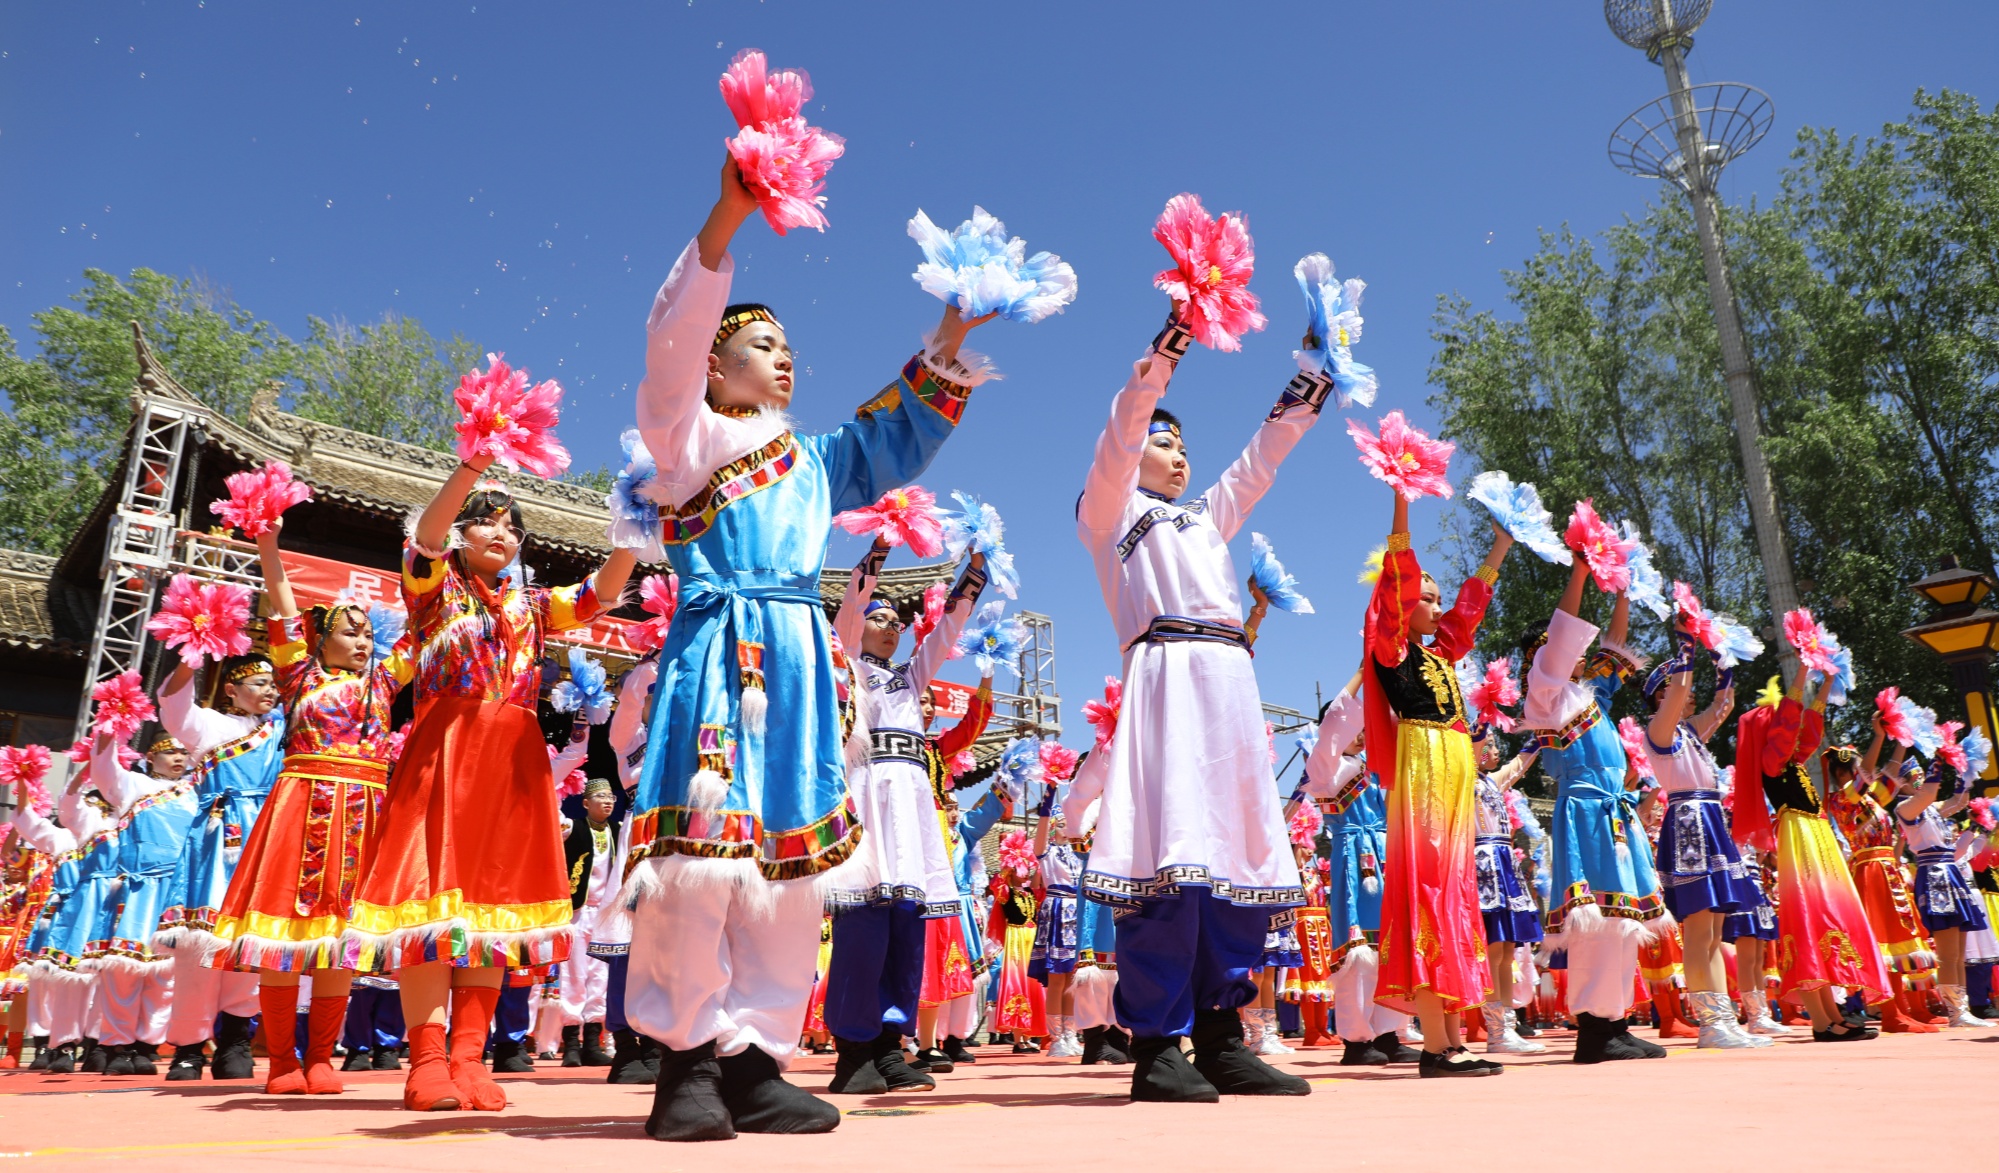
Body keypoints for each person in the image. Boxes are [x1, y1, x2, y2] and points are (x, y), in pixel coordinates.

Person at [622, 155, 992, 1142]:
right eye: (760, 343)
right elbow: (669, 347)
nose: (784, 360)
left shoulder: (816, 460)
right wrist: (724, 222)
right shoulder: (685, 438)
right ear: (715, 365)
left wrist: (949, 338)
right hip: (719, 656)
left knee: (791, 869)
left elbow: (892, 435)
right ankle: (685, 1062)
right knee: (703, 858)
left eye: (790, 348)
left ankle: (754, 1059)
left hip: (797, 666)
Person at [1067, 302, 1325, 1103]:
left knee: (1233, 860)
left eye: (1184, 445)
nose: (1177, 454)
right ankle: (1155, 1045)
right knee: (1169, 860)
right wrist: (1169, 347)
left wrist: (1312, 379)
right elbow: (1120, 435)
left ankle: (1219, 1036)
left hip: (1228, 687)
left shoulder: (1205, 520)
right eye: (1163, 441)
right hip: (1166, 679)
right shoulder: (1108, 514)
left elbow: (1259, 460)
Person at [344, 469, 634, 1112]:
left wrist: (635, 525)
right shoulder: (433, 587)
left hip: (512, 766)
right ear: (461, 533)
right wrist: (470, 467)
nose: (500, 532)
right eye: (484, 520)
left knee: (492, 914)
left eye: (511, 526)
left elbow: (603, 593)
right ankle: (426, 1061)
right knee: (430, 906)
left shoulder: (534, 607)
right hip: (447, 754)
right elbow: (425, 536)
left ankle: (469, 1059)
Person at [205, 522, 414, 1093]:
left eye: (368, 634)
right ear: (320, 640)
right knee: (284, 937)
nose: (363, 642)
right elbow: (282, 601)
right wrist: (267, 544)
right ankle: (281, 1062)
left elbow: (423, 627)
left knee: (340, 943)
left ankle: (320, 1058)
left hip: (364, 814)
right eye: (350, 632)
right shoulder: (297, 674)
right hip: (302, 809)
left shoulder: (383, 684)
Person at [821, 542, 987, 1094]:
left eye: (897, 623)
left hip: (911, 811)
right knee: (864, 929)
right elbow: (849, 613)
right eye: (880, 620)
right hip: (870, 798)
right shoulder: (847, 666)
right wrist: (877, 554)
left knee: (906, 927)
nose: (891, 629)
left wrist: (973, 577)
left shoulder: (911, 680)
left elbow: (943, 633)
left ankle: (891, 1047)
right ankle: (853, 1052)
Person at [1360, 491, 1513, 1077]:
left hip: (1450, 769)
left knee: (1452, 896)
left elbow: (1468, 612)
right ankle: (1434, 1046)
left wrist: (1500, 548)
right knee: (1427, 894)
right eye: (1424, 597)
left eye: (1437, 597)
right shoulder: (1391, 650)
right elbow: (1396, 586)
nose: (1435, 604)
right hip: (1423, 768)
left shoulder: (1439, 655)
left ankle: (1449, 1040)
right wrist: (1401, 499)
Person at [1517, 559, 1667, 1064]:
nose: (1583, 651)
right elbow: (1565, 635)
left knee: (1622, 917)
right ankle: (1594, 1030)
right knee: (1597, 917)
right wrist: (1580, 573)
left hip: (1613, 812)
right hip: (1585, 810)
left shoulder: (1589, 695)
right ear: (1543, 655)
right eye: (1571, 647)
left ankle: (1615, 1022)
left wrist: (1621, 591)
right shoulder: (1546, 693)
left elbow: (1615, 647)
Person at [1731, 667, 1890, 1040]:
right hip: (1799, 837)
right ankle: (1821, 1021)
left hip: (1815, 836)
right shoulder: (1771, 763)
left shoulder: (1791, 763)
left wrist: (1827, 683)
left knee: (1822, 920)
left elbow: (1809, 732)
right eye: (1778, 725)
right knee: (1807, 920)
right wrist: (1802, 671)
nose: (1791, 731)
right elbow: (1789, 729)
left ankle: (1832, 1015)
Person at [1640, 631, 1768, 1049]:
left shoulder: (1690, 732)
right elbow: (1681, 693)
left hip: (1709, 821)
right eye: (1679, 688)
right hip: (1689, 826)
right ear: (1662, 696)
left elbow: (1724, 705)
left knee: (1713, 931)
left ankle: (1722, 1020)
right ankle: (1711, 1023)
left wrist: (1721, 659)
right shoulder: (1660, 730)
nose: (1690, 695)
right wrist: (1686, 648)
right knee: (1698, 931)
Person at [1297, 680, 1417, 1067]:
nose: (1363, 735)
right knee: (1358, 949)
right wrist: (1363, 673)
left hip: (1386, 855)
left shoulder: (1374, 769)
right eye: (1354, 728)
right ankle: (1357, 1037)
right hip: (1355, 859)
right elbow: (1334, 722)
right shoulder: (1326, 767)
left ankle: (1389, 1031)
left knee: (1389, 946)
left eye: (1365, 728)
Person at [85, 727, 200, 1076]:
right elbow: (104, 770)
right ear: (150, 757)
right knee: (124, 970)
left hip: (176, 891)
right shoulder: (134, 785)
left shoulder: (196, 789)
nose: (179, 758)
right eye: (170, 751)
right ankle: (116, 1045)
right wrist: (109, 729)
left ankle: (145, 1046)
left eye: (183, 752)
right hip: (138, 888)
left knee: (166, 973)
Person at [1840, 734, 1940, 1032]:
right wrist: (1879, 736)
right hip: (1870, 873)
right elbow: (1868, 773)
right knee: (1883, 942)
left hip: (1887, 871)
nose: (1867, 774)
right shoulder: (1842, 800)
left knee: (1901, 941)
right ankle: (1890, 1013)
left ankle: (1906, 1009)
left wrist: (1901, 740)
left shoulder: (1873, 801)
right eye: (1858, 769)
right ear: (1844, 773)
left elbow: (1890, 773)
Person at [1891, 755, 1989, 1027]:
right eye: (1915, 777)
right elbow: (1930, 793)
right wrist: (1939, 760)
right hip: (1934, 876)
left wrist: (1963, 771)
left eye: (1922, 775)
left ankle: (1962, 1009)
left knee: (1959, 952)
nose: (1920, 780)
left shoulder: (1931, 808)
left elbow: (1959, 801)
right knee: (1947, 954)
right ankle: (1955, 1012)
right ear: (1902, 784)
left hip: (1950, 874)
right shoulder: (1905, 808)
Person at [1471, 733, 1545, 1053]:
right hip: (1483, 865)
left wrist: (1539, 737)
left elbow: (1518, 765)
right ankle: (1496, 1031)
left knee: (1505, 950)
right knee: (1492, 949)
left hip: (1502, 864)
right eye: (1487, 745)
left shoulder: (1490, 781)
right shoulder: (1463, 781)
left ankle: (1506, 1027)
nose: (1495, 750)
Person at [559, 775, 622, 1068]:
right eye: (601, 797)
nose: (608, 802)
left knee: (599, 977)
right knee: (573, 974)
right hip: (577, 911)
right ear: (585, 803)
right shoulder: (572, 828)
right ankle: (571, 1043)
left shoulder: (618, 831)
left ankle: (593, 1043)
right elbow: (551, 816)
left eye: (611, 797)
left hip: (606, 914)